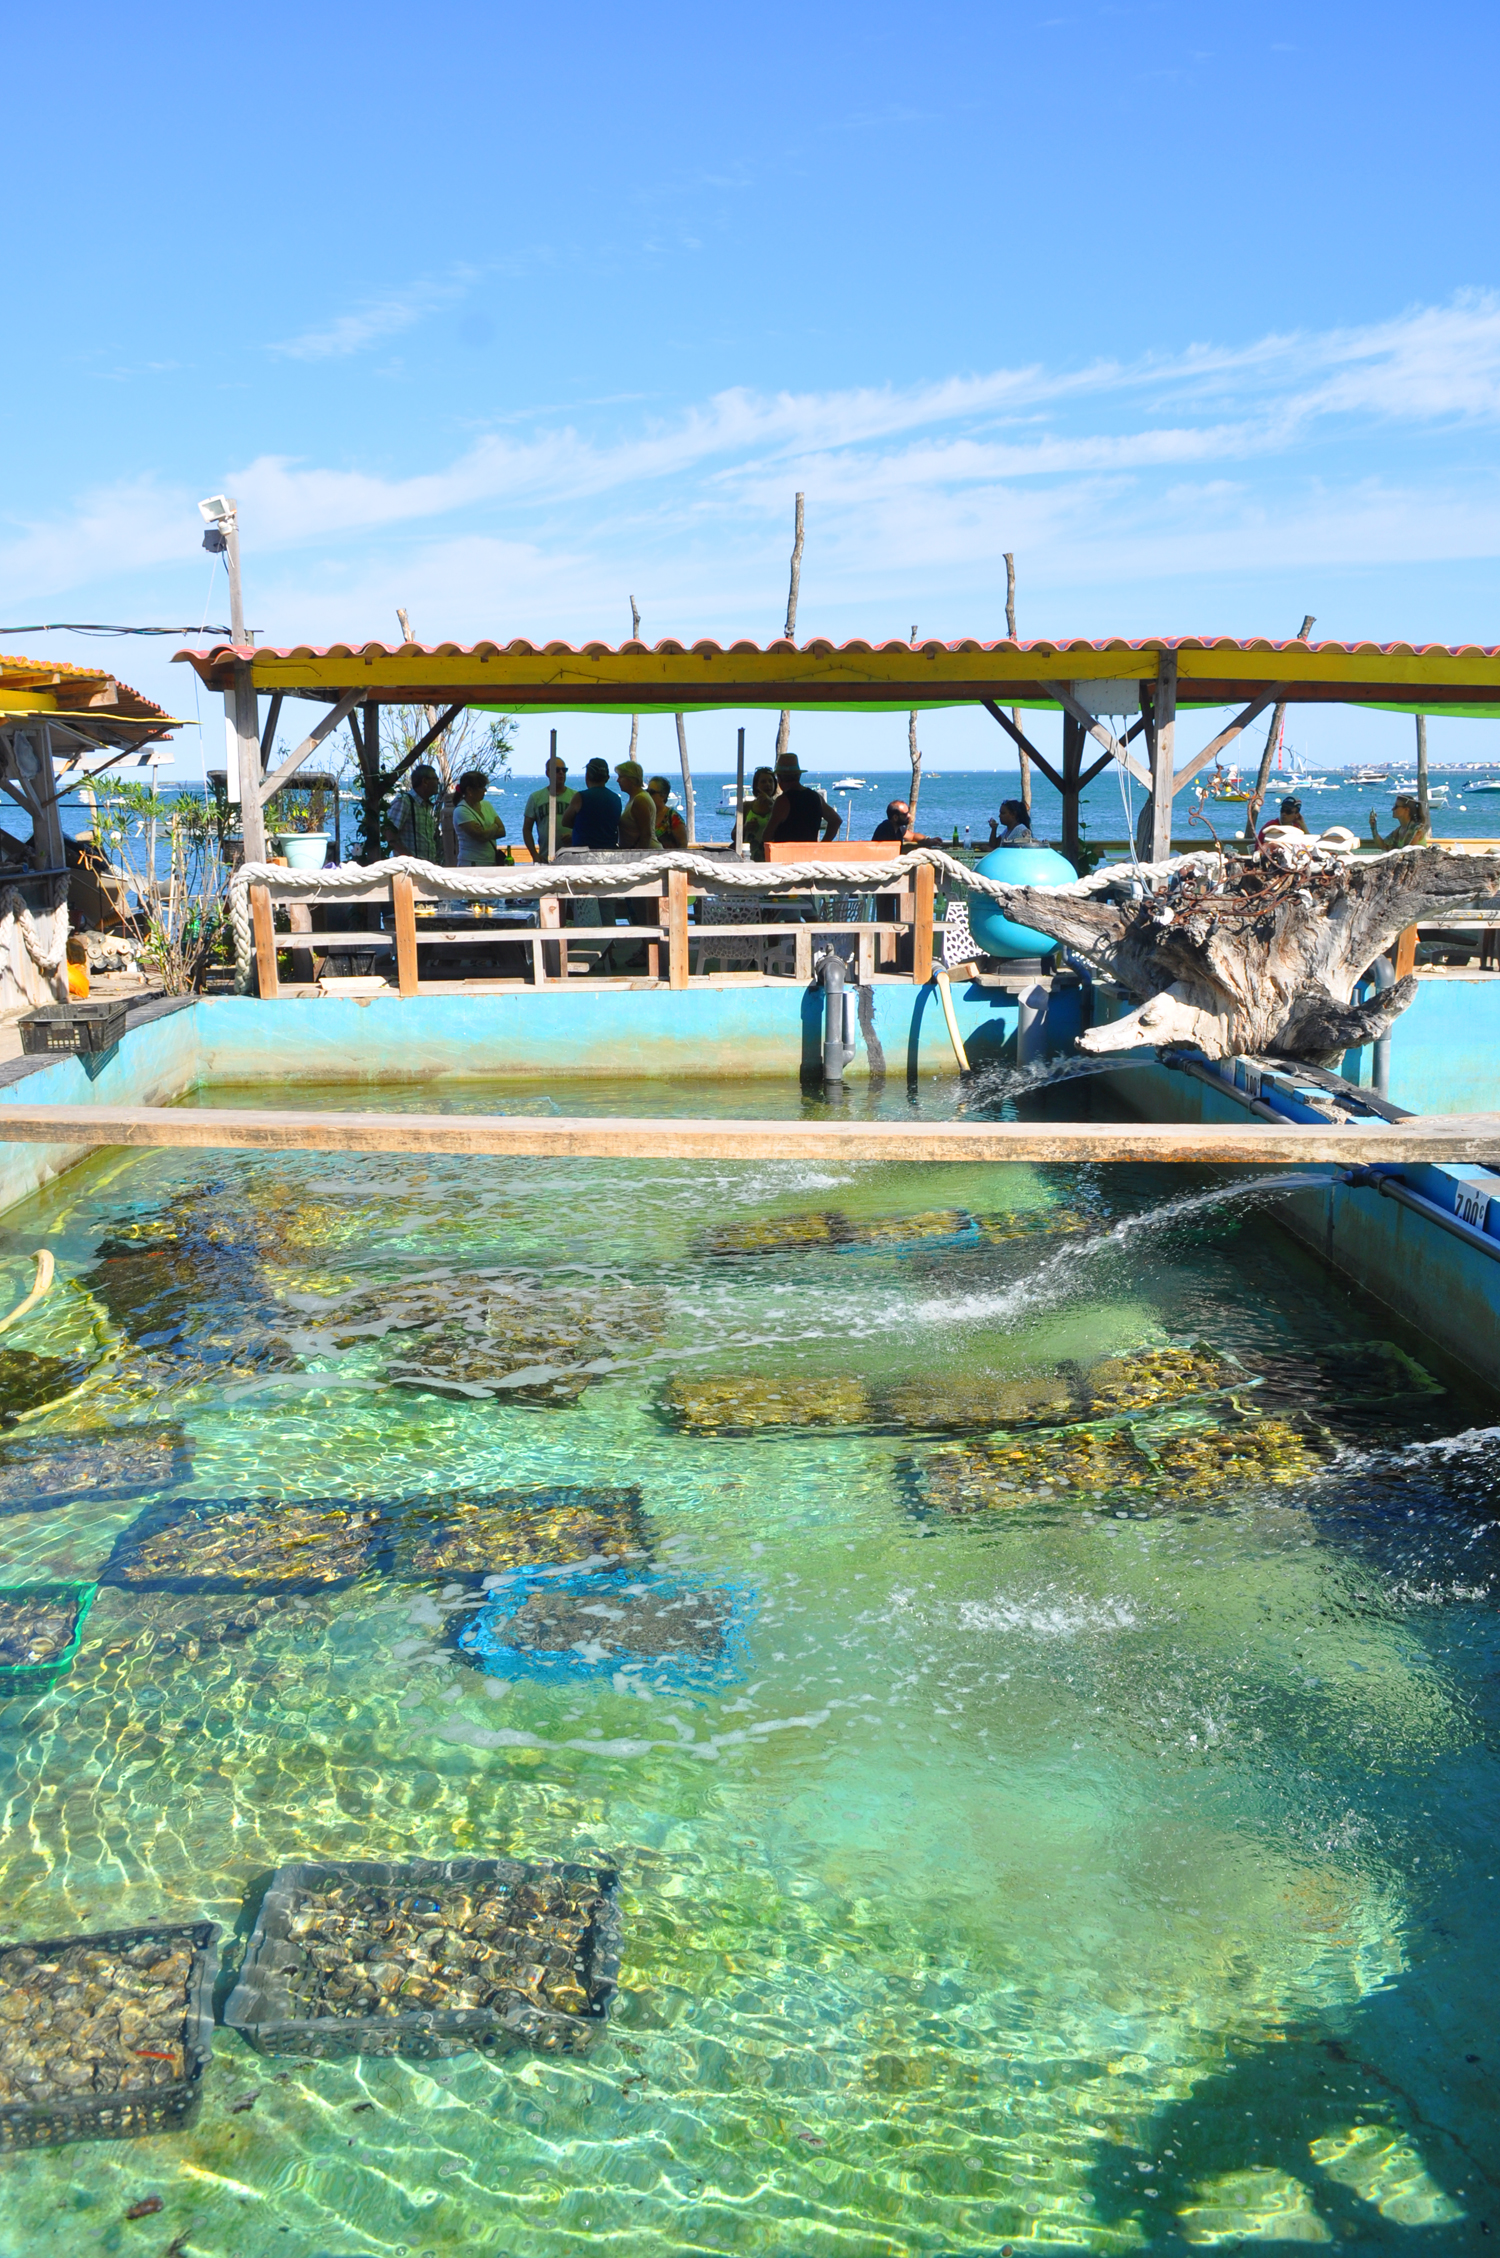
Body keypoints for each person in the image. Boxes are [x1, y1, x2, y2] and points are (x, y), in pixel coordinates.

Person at [760, 757, 841, 852]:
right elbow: (836, 820)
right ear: (798, 776)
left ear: (780, 778)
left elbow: (767, 835)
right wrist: (821, 846)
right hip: (810, 855)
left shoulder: (783, 801)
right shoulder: (816, 797)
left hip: (787, 856)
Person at [384, 763, 442, 861]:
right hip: (409, 869)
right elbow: (389, 834)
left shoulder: (426, 805)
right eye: (436, 779)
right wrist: (410, 859)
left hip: (426, 868)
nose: (438, 783)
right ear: (425, 781)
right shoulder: (404, 801)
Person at [522, 757, 577, 860]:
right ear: (548, 773)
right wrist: (534, 854)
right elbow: (526, 829)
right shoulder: (536, 798)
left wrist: (573, 835)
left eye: (564, 770)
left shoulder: (575, 797)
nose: (561, 773)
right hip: (545, 857)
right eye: (557, 770)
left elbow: (585, 826)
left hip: (571, 857)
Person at [451, 770, 506, 866]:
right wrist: (494, 827)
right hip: (471, 863)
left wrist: (487, 831)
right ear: (470, 790)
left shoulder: (487, 805)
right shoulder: (461, 811)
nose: (485, 790)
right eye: (481, 787)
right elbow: (481, 836)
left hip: (491, 862)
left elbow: (503, 831)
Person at [615, 760, 659, 851]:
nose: (617, 780)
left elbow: (646, 835)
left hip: (647, 854)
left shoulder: (640, 800)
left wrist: (638, 857)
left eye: (621, 777)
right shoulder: (635, 798)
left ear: (631, 778)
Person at [740, 766, 778, 855]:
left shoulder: (778, 806)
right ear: (756, 785)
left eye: (770, 781)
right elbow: (734, 835)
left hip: (772, 854)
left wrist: (770, 802)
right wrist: (745, 828)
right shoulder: (747, 806)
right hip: (748, 855)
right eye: (763, 782)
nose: (767, 784)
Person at [872, 798, 940, 846]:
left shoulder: (898, 828)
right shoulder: (885, 829)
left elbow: (912, 836)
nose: (909, 815)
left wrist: (928, 840)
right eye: (905, 814)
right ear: (895, 817)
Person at [648, 776, 688, 850]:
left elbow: (683, 844)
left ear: (663, 796)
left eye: (651, 792)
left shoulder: (673, 817)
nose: (648, 795)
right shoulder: (646, 815)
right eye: (647, 792)